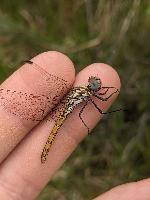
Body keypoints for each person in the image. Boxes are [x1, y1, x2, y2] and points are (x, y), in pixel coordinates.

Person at [0, 51, 149, 200]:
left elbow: (98, 101)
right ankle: (44, 153)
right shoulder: (87, 94)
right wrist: (112, 92)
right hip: (64, 111)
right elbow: (101, 101)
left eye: (95, 85)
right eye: (95, 84)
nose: (96, 85)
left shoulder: (85, 92)